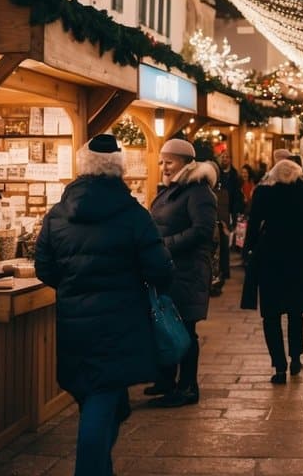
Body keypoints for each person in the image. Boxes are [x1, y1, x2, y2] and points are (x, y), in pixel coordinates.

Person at [34, 134, 174, 476]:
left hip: (74, 322)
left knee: (97, 394)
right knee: (102, 397)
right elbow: (160, 269)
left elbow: (44, 268)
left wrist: (73, 287)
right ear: (118, 169)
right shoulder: (133, 214)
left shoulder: (57, 215)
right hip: (121, 321)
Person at [146, 138, 218, 408]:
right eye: (162, 161)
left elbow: (202, 231)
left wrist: (164, 245)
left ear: (186, 163)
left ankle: (188, 387)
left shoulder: (198, 192)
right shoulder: (172, 189)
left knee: (184, 328)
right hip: (171, 270)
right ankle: (167, 380)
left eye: (169, 161)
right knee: (167, 324)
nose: (163, 166)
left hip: (188, 271)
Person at [242, 157, 303, 383]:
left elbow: (254, 222)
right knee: (295, 312)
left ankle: (279, 366)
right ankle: (295, 357)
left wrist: (250, 248)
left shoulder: (265, 193)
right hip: (297, 255)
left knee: (271, 314)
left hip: (270, 255)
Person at [210, 150, 245, 297]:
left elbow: (236, 196)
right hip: (218, 216)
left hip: (226, 213)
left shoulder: (234, 175)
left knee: (223, 247)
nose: (225, 159)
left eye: (227, 156)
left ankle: (222, 275)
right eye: (222, 156)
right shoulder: (217, 177)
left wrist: (234, 213)